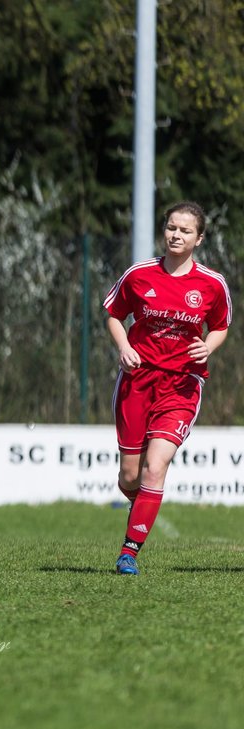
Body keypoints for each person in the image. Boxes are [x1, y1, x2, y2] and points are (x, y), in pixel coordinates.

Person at [104, 201, 232, 576]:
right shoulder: (139, 275)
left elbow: (221, 325)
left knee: (155, 468)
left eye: (185, 230)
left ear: (199, 238)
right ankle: (138, 504)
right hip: (137, 381)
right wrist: (125, 346)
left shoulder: (212, 284)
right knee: (130, 476)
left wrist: (208, 346)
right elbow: (113, 314)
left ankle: (129, 552)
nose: (176, 235)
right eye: (171, 228)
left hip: (182, 384)